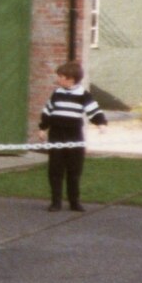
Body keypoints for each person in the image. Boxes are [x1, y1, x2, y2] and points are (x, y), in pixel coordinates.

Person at [38, 60, 107, 212]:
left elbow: (94, 111)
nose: (58, 79)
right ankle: (56, 202)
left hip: (74, 135)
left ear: (71, 79)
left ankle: (74, 201)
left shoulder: (83, 94)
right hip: (57, 134)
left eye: (60, 77)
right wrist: (43, 128)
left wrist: (101, 123)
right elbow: (48, 111)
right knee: (55, 169)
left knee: (74, 170)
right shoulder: (57, 93)